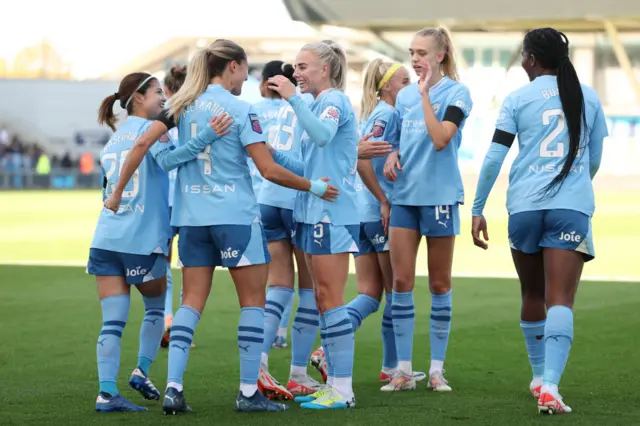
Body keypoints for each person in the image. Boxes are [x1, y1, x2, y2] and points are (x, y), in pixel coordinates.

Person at [105, 39, 339, 414]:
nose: (247, 78)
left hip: (192, 220)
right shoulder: (240, 109)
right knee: (253, 303)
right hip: (235, 218)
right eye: (245, 70)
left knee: (190, 303)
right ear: (232, 66)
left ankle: (174, 388)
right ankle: (249, 392)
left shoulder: (181, 105)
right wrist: (315, 185)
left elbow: (153, 149)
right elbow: (267, 169)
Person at [470, 28, 607, 415]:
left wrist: (478, 207)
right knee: (560, 299)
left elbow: (495, 157)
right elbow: (594, 157)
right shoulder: (589, 96)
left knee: (532, 295)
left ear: (530, 59)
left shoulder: (517, 98)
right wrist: (575, 186)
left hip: (525, 206)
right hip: (570, 205)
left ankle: (535, 377)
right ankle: (550, 385)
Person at [91, 72, 224, 412]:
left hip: (106, 238)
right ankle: (142, 370)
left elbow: (108, 187)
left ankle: (106, 393)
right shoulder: (151, 132)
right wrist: (206, 136)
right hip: (142, 239)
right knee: (156, 307)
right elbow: (169, 160)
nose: (164, 99)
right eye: (157, 93)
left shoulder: (113, 138)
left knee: (112, 322)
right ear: (138, 97)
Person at [268, 40, 359, 410]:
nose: (296, 73)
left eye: (303, 66)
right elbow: (307, 166)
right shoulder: (318, 105)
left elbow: (323, 136)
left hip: (331, 213)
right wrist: (267, 151)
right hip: (310, 210)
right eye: (295, 66)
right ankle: (334, 384)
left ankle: (343, 389)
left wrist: (293, 97)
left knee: (330, 299)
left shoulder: (334, 101)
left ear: (326, 68)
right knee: (321, 299)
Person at [382, 27, 472, 392]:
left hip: (438, 198)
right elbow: (399, 140)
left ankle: (436, 369)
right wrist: (392, 153)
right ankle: (403, 371)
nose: (415, 58)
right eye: (411, 52)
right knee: (401, 283)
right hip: (404, 197)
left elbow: (440, 139)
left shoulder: (458, 93)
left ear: (440, 56)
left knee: (438, 283)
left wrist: (423, 97)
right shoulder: (403, 97)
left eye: (422, 52)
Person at [254, 61, 321, 400]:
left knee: (279, 285)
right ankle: (297, 373)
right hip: (297, 197)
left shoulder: (275, 109)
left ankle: (261, 366)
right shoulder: (309, 104)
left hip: (268, 199)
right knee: (310, 288)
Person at [160, 64, 188, 347]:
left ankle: (165, 318)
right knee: (190, 265)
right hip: (190, 199)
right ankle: (181, 326)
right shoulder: (197, 113)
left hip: (162, 202)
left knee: (163, 264)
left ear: (166, 89)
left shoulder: (160, 115)